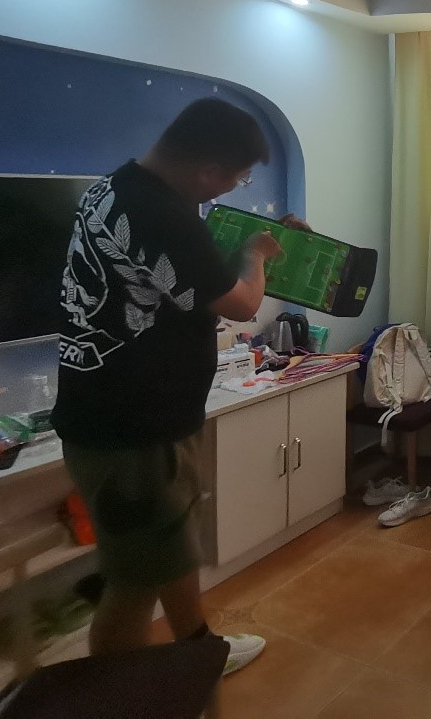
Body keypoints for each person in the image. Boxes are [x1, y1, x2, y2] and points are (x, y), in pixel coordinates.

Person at [52, 99, 287, 675]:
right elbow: (242, 303)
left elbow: (177, 274)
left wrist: (249, 249)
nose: (233, 187)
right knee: (134, 583)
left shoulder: (116, 188)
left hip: (122, 415)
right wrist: (256, 255)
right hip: (135, 430)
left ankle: (200, 649)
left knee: (170, 551)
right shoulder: (164, 215)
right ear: (209, 170)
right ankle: (114, 697)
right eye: (237, 178)